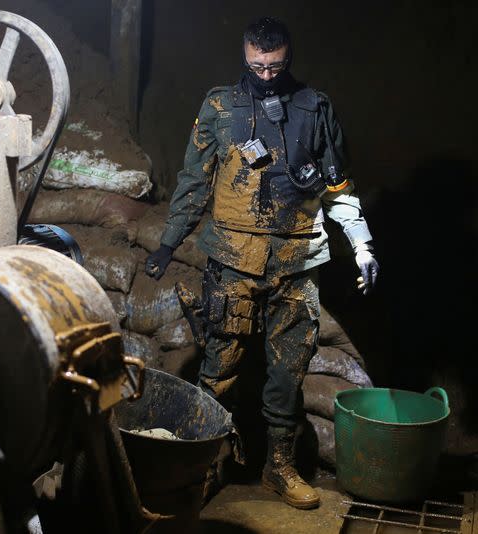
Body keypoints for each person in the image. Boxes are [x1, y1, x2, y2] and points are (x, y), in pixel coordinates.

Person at [144, 16, 379, 509]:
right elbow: (194, 178)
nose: (267, 75)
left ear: (287, 57)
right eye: (257, 66)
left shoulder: (316, 108)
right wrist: (169, 242)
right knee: (219, 367)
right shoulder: (220, 106)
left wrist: (361, 243)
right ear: (244, 57)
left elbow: (338, 186)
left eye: (275, 66)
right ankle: (206, 465)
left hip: (298, 259)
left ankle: (280, 467)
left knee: (288, 373)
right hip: (233, 259)